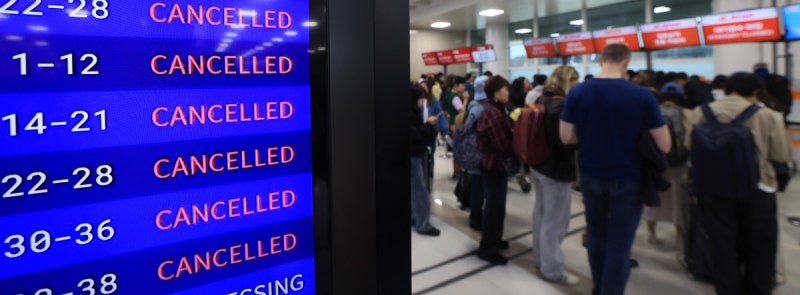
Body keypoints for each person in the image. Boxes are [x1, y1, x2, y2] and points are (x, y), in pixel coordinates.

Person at [560, 44, 671, 295]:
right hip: (628, 177)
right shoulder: (642, 96)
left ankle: (599, 288)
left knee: (596, 235)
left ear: (600, 60)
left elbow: (566, 137)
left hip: (590, 174)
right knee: (620, 241)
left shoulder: (578, 93)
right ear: (626, 62)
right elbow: (664, 145)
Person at [686, 72, 791, 295]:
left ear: (725, 89)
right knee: (760, 244)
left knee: (721, 243)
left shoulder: (701, 112)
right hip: (757, 189)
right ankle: (758, 288)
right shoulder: (767, 115)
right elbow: (781, 155)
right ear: (755, 92)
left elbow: (689, 146)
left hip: (713, 188)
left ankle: (726, 288)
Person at [529, 65, 581, 285]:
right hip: (555, 169)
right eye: (574, 82)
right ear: (567, 82)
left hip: (538, 165)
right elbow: (564, 142)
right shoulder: (560, 106)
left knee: (541, 214)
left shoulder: (542, 99)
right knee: (555, 221)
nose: (577, 86)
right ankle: (552, 269)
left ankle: (541, 259)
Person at [476, 75, 514, 265]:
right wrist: (517, 144)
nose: (508, 92)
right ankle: (487, 248)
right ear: (496, 92)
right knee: (494, 206)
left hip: (493, 164)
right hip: (493, 164)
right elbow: (501, 144)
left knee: (497, 205)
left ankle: (494, 240)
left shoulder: (497, 109)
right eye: (505, 89)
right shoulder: (493, 112)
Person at [410, 83, 441, 236]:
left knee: (414, 189)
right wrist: (429, 125)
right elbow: (415, 136)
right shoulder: (410, 114)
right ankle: (423, 224)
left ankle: (415, 216)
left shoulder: (411, 111)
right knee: (419, 190)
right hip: (413, 155)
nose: (422, 101)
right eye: (420, 98)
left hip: (412, 154)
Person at [466, 74, 489, 230]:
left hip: (474, 154)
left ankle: (476, 216)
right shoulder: (482, 110)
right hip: (481, 156)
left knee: (477, 187)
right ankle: (476, 218)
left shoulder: (473, 106)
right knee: (479, 189)